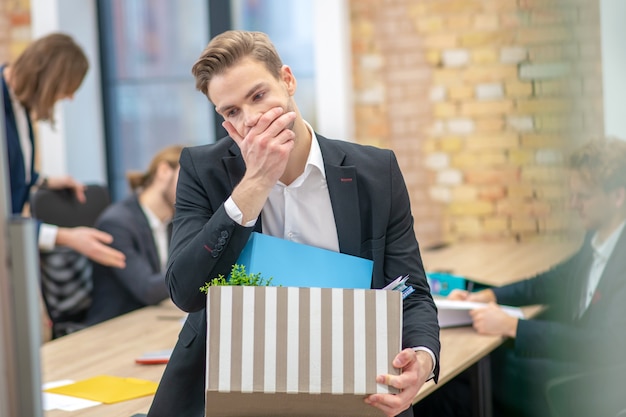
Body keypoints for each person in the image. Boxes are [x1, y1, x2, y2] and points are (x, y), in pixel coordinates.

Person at [147, 30, 440, 417]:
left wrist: (423, 356)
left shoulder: (375, 171)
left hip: (350, 381)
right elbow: (185, 292)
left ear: (287, 80)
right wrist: (253, 186)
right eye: (231, 112)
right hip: (232, 386)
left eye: (258, 96)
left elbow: (410, 289)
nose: (250, 120)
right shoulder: (203, 170)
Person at [415, 138, 626, 417]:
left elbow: (603, 343)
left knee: (466, 377)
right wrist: (487, 296)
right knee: (462, 382)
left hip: (589, 380)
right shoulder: (598, 237)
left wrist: (515, 326)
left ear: (617, 196)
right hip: (574, 363)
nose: (573, 204)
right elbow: (552, 282)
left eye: (583, 196)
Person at [1, 32, 126, 269]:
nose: (70, 97)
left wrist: (45, 181)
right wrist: (67, 237)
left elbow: (11, 173)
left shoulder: (20, 107)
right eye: (67, 88)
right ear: (48, 79)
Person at [84, 145, 183, 326]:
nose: (194, 188)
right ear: (163, 171)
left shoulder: (174, 221)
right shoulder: (117, 223)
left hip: (152, 321)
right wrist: (198, 266)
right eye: (188, 179)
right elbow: (148, 289)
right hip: (114, 328)